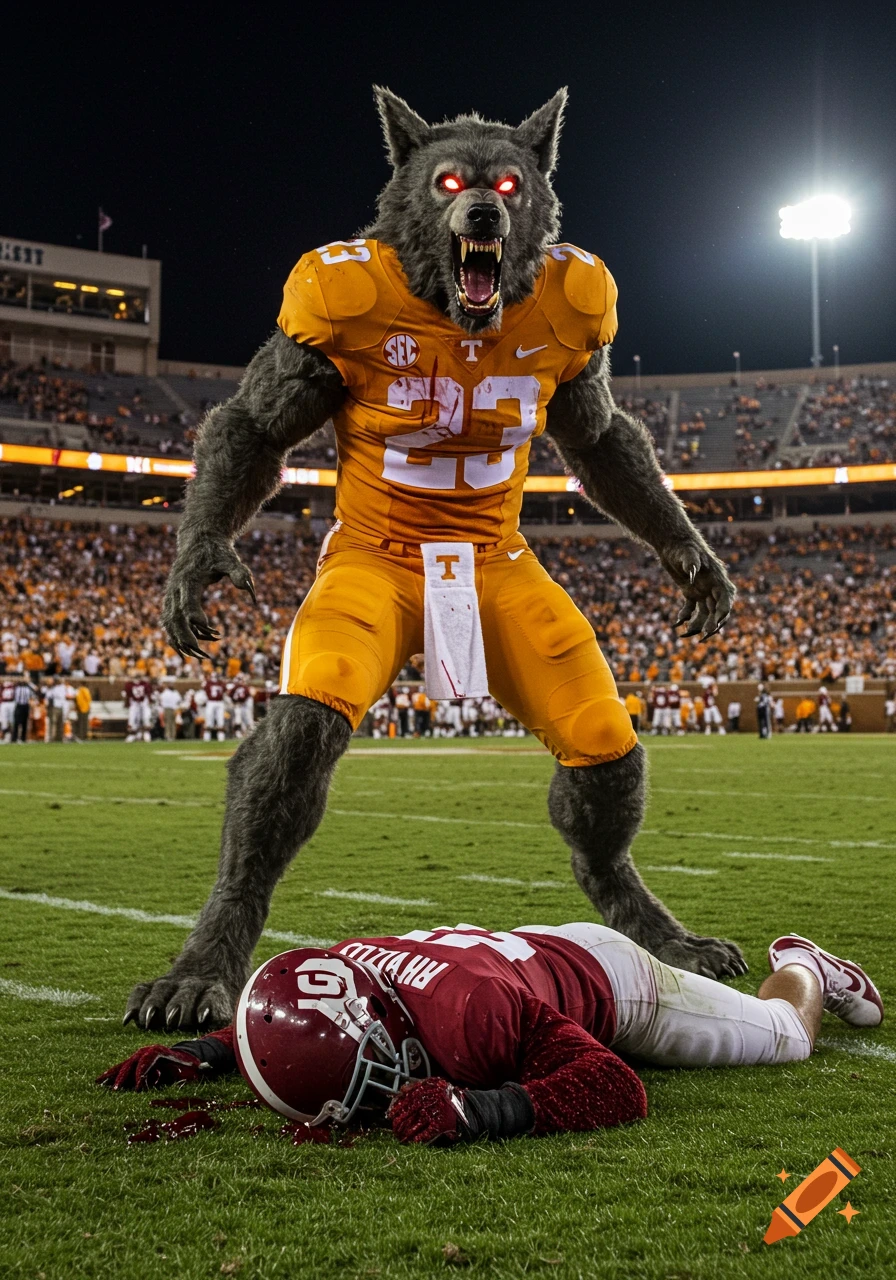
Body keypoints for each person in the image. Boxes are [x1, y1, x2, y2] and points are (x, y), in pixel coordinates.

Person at [100, 920, 882, 1145]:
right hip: (518, 951)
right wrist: (210, 1050)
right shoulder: (338, 971)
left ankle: (808, 964)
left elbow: (614, 1083)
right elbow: (307, 1019)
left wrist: (482, 1112)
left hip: (613, 983)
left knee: (788, 1035)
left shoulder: (469, 1017)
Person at [11, 677, 38, 744]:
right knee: (16, 722)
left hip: (25, 706)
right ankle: (14, 738)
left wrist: (29, 682)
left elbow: (36, 689)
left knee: (24, 722)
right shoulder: (16, 687)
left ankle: (23, 738)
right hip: (18, 705)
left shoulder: (28, 688)